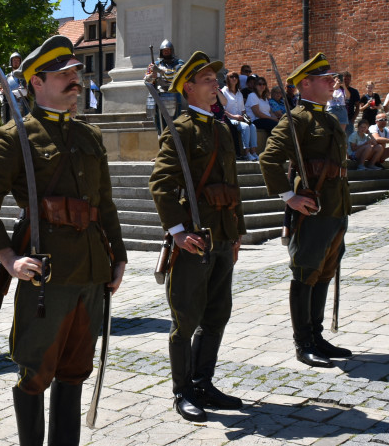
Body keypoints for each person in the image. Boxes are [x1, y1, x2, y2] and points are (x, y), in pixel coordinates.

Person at [0, 35, 127, 446]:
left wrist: (117, 256)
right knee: (36, 371)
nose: (74, 80)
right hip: (46, 274)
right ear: (36, 81)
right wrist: (8, 259)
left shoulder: (88, 136)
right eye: (62, 74)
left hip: (91, 271)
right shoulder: (15, 136)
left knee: (77, 367)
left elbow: (104, 204)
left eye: (75, 72)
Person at [148, 52, 245, 423]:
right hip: (195, 238)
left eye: (214, 79)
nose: (215, 84)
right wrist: (177, 232)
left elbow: (232, 185)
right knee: (186, 318)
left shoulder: (221, 129)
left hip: (221, 235)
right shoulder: (180, 130)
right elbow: (161, 184)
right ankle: (183, 390)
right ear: (187, 86)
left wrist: (236, 233)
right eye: (206, 79)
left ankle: (204, 382)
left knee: (217, 313)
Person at [258, 53, 353, 369]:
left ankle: (317, 336)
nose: (332, 82)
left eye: (331, 77)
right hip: (311, 209)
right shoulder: (296, 119)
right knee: (305, 273)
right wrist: (289, 197)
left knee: (324, 272)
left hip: (336, 207)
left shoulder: (328, 119)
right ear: (305, 83)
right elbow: (269, 159)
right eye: (324, 78)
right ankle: (303, 344)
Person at [145, 38, 186, 134]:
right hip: (158, 96)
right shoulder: (156, 64)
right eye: (164, 50)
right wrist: (152, 76)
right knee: (159, 125)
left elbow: (175, 76)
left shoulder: (179, 63)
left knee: (173, 124)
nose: (166, 52)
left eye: (168, 50)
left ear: (172, 51)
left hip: (173, 95)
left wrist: (160, 71)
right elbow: (147, 80)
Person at [221, 71, 256, 160]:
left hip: (240, 119)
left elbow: (243, 110)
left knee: (252, 126)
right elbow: (222, 110)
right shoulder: (224, 91)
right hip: (229, 119)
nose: (234, 78)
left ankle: (254, 152)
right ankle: (246, 153)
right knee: (245, 127)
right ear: (227, 79)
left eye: (236, 77)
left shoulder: (239, 93)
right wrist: (234, 117)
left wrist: (245, 118)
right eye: (232, 77)